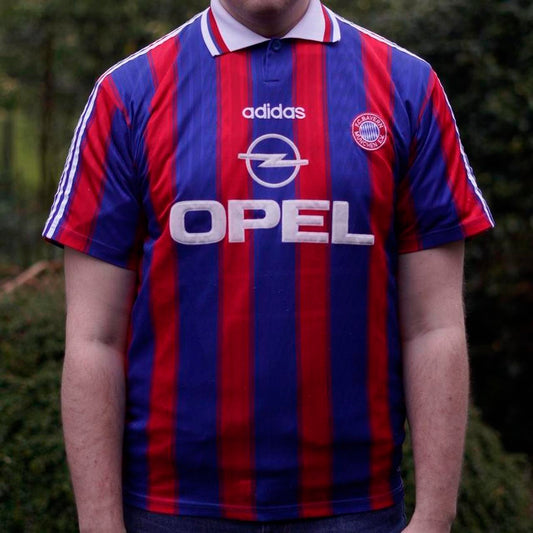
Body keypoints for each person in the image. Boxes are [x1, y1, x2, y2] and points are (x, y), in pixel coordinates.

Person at [43, 0, 494, 531]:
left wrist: (435, 517)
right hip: (170, 508)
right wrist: (99, 524)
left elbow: (434, 326)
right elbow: (94, 338)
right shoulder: (127, 94)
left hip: (355, 507)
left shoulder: (408, 85)